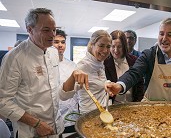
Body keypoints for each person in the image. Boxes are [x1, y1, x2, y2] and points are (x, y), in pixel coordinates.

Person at [0, 8, 88, 137]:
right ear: (30, 29)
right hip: (31, 131)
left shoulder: (52, 52)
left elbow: (57, 92)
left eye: (54, 29)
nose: (52, 34)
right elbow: (3, 101)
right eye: (46, 30)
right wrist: (37, 124)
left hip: (55, 128)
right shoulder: (15, 58)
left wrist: (73, 76)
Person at [105, 18, 171, 102]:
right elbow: (134, 72)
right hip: (151, 107)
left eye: (170, 35)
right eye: (161, 34)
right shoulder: (149, 55)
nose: (164, 38)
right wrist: (120, 85)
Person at [59, 30, 112, 114]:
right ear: (92, 45)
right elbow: (63, 96)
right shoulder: (82, 66)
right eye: (101, 46)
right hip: (90, 115)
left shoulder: (100, 63)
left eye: (108, 46)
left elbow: (96, 85)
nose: (105, 50)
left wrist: (107, 83)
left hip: (104, 112)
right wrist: (73, 76)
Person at [104, 30, 144, 103]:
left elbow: (140, 85)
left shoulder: (134, 60)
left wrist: (137, 102)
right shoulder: (105, 62)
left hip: (132, 105)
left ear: (125, 46)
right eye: (113, 46)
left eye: (119, 47)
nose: (116, 50)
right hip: (112, 106)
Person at [53, 29, 78, 133]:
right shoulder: (45, 65)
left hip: (72, 115)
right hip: (53, 116)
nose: (60, 45)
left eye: (63, 42)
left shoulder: (72, 65)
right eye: (56, 42)